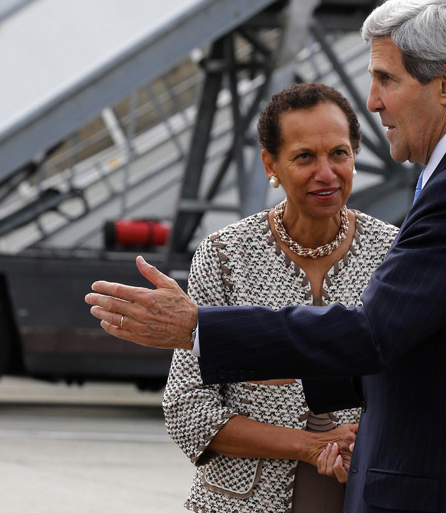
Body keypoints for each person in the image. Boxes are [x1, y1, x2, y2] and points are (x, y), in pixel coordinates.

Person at [86, 0, 446, 512]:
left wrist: (202, 329)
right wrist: (262, 367)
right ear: (271, 165)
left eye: (386, 78)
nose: (373, 99)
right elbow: (435, 350)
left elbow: (374, 334)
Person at [161, 82, 398, 513]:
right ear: (271, 163)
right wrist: (308, 446)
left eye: (339, 153)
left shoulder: (394, 252)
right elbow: (187, 408)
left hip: (363, 494)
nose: (326, 172)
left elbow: (413, 388)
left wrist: (367, 451)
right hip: (237, 503)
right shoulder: (225, 255)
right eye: (305, 156)